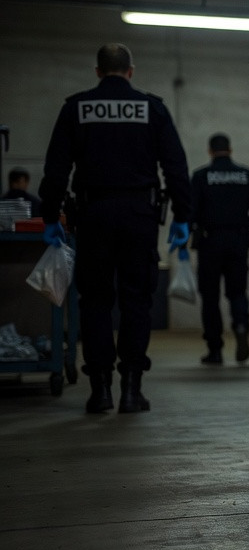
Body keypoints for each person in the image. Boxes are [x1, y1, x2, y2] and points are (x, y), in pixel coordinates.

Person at [37, 43, 193, 414]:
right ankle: (131, 390)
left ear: (97, 71)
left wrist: (48, 217)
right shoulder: (152, 108)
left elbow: (56, 169)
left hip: (93, 214)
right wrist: (184, 216)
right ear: (131, 71)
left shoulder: (76, 107)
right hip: (140, 214)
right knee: (137, 300)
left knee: (95, 300)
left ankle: (100, 390)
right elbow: (175, 166)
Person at [189, 133, 249, 365]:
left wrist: (184, 244)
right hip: (238, 242)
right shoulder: (246, 175)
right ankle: (242, 326)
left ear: (210, 151)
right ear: (230, 150)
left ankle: (215, 350)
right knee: (237, 292)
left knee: (211, 297)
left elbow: (190, 213)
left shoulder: (201, 176)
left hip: (209, 243)